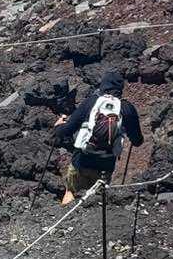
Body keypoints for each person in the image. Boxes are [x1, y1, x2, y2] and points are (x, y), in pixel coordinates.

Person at [52, 69, 144, 204]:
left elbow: (65, 131)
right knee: (96, 201)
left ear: (103, 85)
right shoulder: (127, 108)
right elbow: (137, 141)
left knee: (71, 191)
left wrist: (58, 126)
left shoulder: (91, 102)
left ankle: (66, 215)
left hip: (81, 162)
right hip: (105, 167)